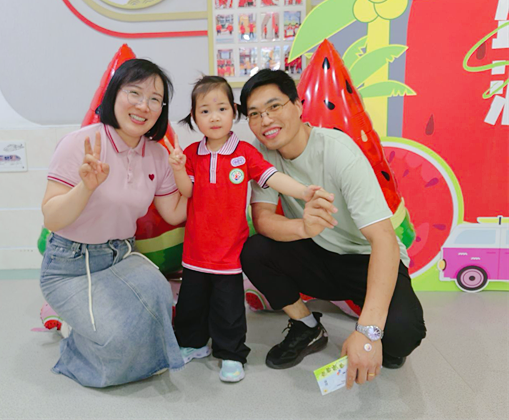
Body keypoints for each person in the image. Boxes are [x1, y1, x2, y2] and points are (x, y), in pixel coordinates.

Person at [238, 69, 427, 389]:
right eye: (254, 114)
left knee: (402, 337)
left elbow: (383, 239)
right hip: (318, 254)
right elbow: (263, 219)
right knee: (255, 251)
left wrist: (368, 332)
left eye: (274, 106)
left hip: (367, 259)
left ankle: (372, 318)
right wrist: (303, 226)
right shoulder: (263, 153)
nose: (265, 119)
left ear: (298, 105)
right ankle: (307, 327)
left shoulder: (338, 151)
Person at [40, 59, 187, 388]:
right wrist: (85, 187)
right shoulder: (80, 143)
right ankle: (74, 335)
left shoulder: (158, 155)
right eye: (134, 93)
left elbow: (174, 213)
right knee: (118, 342)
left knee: (160, 298)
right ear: (114, 94)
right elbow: (51, 217)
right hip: (70, 265)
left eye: (154, 99)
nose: (143, 105)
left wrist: (212, 185)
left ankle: (100, 331)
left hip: (121, 256)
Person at [165, 75, 320, 383]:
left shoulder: (245, 153)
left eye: (221, 109)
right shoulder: (193, 153)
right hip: (195, 252)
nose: (214, 117)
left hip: (229, 253)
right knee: (191, 304)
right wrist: (178, 168)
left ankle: (232, 354)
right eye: (205, 111)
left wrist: (304, 192)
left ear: (234, 112)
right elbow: (188, 191)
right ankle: (193, 344)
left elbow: (272, 177)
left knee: (229, 309)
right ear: (194, 117)